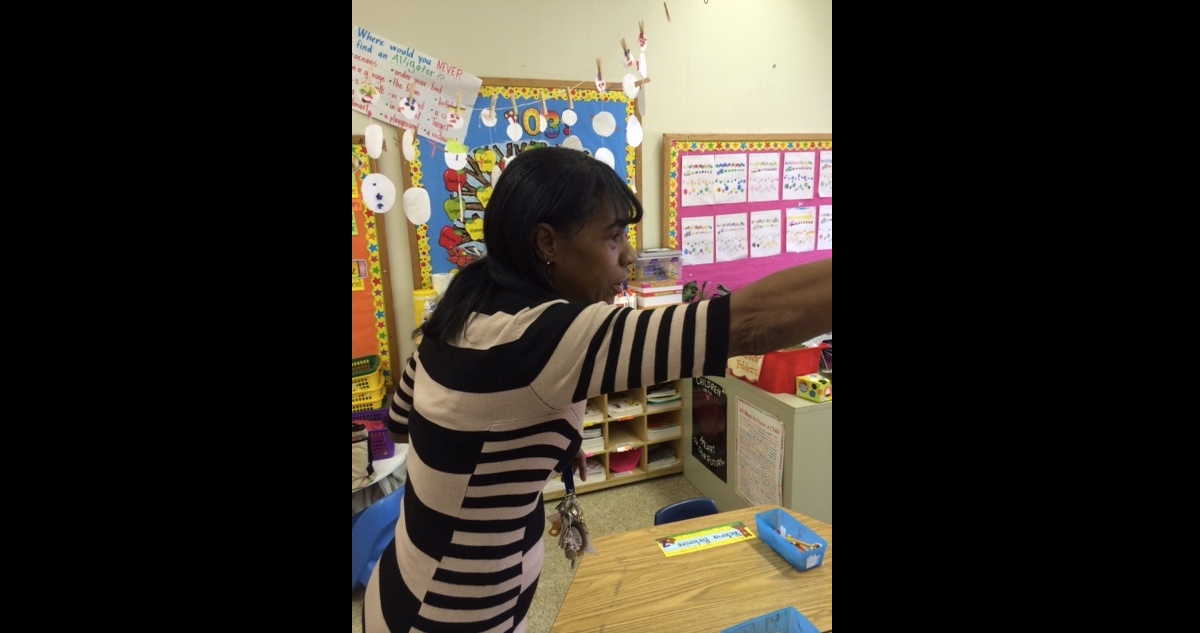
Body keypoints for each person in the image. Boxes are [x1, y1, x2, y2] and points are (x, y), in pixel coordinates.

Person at [362, 146, 832, 633]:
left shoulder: (469, 303)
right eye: (613, 237)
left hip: (408, 585)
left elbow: (402, 420)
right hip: (450, 616)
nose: (629, 253)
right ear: (547, 243)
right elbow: (750, 324)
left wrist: (529, 445)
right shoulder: (551, 335)